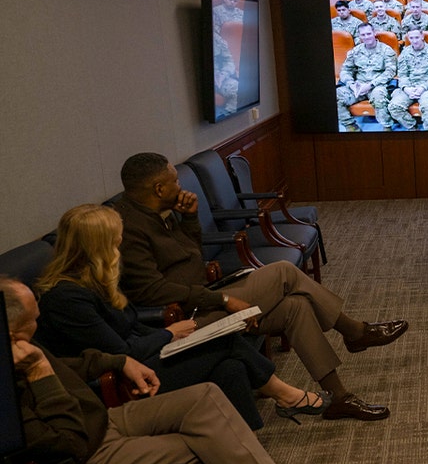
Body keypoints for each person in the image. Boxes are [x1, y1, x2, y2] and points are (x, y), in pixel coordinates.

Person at [5, 277, 346, 464]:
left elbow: (69, 365)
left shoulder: (23, 346)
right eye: (33, 320)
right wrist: (40, 376)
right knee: (210, 447)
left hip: (104, 419)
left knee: (204, 398)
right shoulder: (13, 387)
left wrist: (119, 361)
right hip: (85, 458)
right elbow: (69, 443)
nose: (39, 322)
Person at [112, 152, 406, 421]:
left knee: (296, 306)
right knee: (283, 272)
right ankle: (354, 332)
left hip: (206, 298)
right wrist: (224, 299)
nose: (180, 186)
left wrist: (190, 219)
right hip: (186, 321)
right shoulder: (129, 228)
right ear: (159, 189)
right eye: (175, 181)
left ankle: (338, 397)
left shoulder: (161, 211)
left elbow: (190, 256)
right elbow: (152, 292)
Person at [34, 204, 329, 429]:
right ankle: (285, 395)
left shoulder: (95, 281)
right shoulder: (66, 298)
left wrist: (174, 338)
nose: (120, 248)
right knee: (224, 344)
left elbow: (132, 327)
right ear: (97, 247)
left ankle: (249, 440)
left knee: (230, 366)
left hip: (144, 359)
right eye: (115, 242)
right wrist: (169, 333)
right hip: (123, 381)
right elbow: (119, 352)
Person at [335, 22, 397, 132]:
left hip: (377, 85)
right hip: (358, 86)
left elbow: (390, 72)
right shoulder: (355, 51)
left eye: (368, 34)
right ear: (359, 36)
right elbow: (345, 70)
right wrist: (351, 84)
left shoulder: (386, 50)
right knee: (336, 95)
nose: (366, 37)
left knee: (379, 97)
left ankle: (387, 128)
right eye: (363, 35)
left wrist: (370, 85)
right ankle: (351, 126)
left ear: (374, 33)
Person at [388, 27, 428, 131]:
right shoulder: (405, 53)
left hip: (426, 88)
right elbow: (402, 74)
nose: (414, 41)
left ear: (422, 36)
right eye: (411, 38)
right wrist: (406, 88)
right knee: (394, 107)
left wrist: (423, 88)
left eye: (417, 37)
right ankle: (413, 128)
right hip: (409, 87)